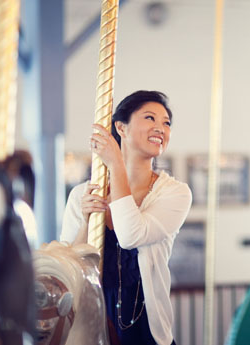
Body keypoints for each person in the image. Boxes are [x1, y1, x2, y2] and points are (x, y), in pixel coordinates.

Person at [60, 90, 192, 345]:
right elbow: (70, 267)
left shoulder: (175, 193)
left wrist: (116, 165)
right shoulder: (82, 195)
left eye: (166, 122)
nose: (160, 128)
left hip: (147, 325)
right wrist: (87, 221)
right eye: (150, 118)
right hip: (94, 319)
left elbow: (131, 235)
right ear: (121, 127)